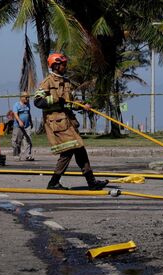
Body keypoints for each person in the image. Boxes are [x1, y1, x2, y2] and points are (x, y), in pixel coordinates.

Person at [33, 53, 108, 190]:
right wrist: (55, 100)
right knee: (69, 150)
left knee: (80, 149)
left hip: (69, 122)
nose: (65, 67)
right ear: (55, 65)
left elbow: (69, 103)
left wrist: (82, 105)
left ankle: (91, 182)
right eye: (63, 65)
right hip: (57, 122)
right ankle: (54, 182)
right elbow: (37, 102)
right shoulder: (47, 82)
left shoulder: (67, 82)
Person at [12, 92, 35, 161]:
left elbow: (29, 113)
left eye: (28, 97)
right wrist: (19, 121)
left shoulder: (28, 105)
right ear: (21, 97)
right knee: (16, 141)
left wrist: (31, 121)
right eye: (26, 97)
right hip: (18, 126)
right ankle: (16, 155)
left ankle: (27, 155)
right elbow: (15, 114)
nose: (27, 99)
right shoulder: (17, 105)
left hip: (27, 126)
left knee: (28, 140)